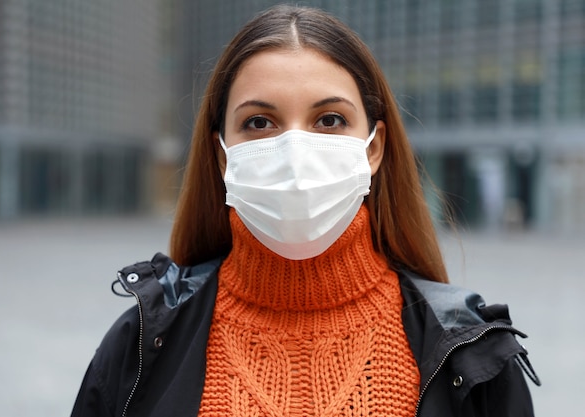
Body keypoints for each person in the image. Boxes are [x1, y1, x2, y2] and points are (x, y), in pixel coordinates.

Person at [71, 5, 540, 417]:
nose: (295, 152)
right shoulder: (141, 344)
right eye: (259, 122)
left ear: (374, 149)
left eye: (329, 120)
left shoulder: (473, 352)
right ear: (221, 156)